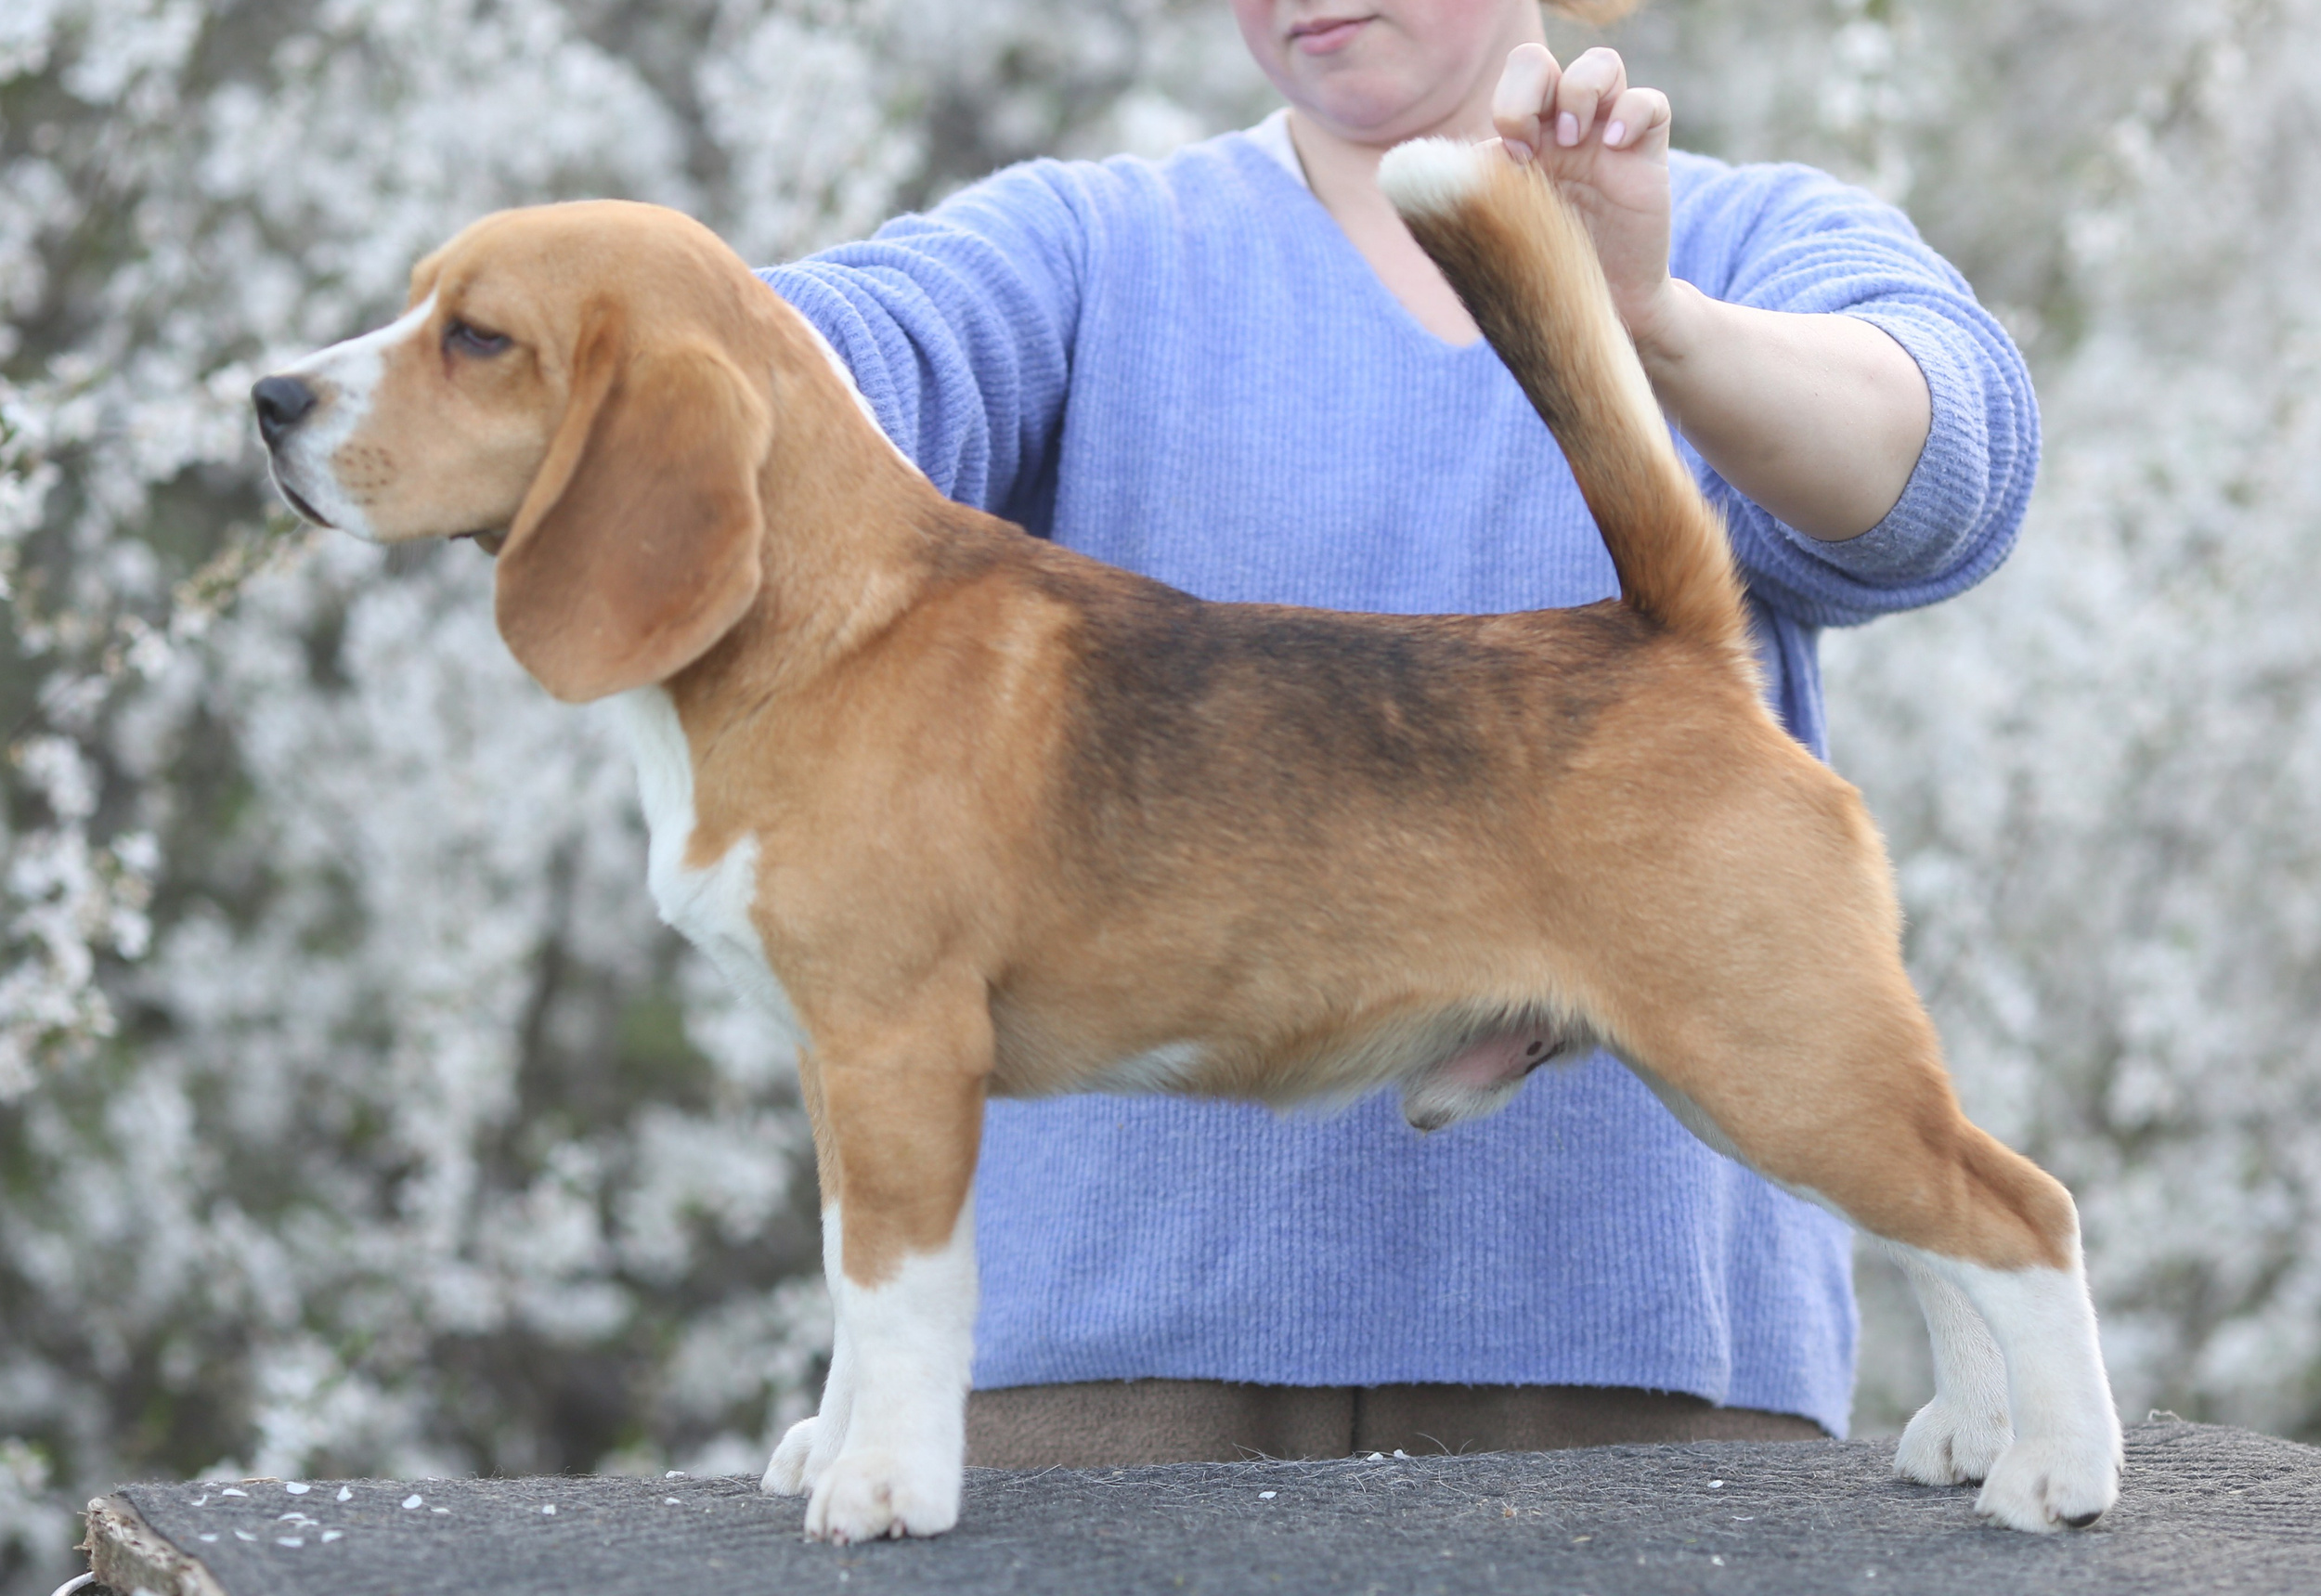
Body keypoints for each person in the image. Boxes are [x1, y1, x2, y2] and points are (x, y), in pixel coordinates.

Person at [757, 0, 2033, 1465]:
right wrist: (634, 342)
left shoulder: (1745, 233)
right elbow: (837, 358)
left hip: (1623, 1367)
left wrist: (1651, 321)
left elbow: (1948, 475)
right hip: (1112, 1366)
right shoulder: (1092, 248)